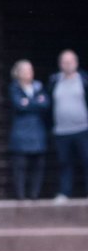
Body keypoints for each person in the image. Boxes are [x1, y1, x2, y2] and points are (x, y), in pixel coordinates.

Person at [49, 49, 88, 203]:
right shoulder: (54, 81)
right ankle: (65, 192)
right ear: (60, 64)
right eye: (65, 62)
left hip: (83, 129)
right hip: (61, 131)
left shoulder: (84, 80)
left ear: (76, 63)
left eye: (70, 61)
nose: (67, 64)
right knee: (64, 163)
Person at [8, 60, 50, 201]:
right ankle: (21, 196)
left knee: (38, 165)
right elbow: (19, 105)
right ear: (18, 73)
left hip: (38, 132)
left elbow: (45, 104)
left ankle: (34, 195)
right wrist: (36, 102)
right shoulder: (14, 88)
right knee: (20, 166)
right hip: (21, 134)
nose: (29, 73)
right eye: (25, 70)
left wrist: (28, 103)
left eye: (30, 70)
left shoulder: (39, 87)